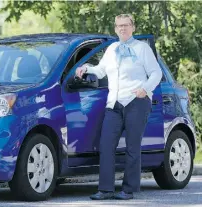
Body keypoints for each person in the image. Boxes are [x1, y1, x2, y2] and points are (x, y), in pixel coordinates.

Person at [75, 14, 162, 200]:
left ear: (133, 27)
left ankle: (128, 190)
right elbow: (100, 70)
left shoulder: (142, 48)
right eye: (119, 26)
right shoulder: (112, 49)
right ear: (115, 29)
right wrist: (86, 68)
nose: (122, 28)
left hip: (136, 102)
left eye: (126, 25)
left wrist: (145, 89)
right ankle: (105, 189)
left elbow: (156, 73)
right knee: (106, 145)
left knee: (132, 147)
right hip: (113, 104)